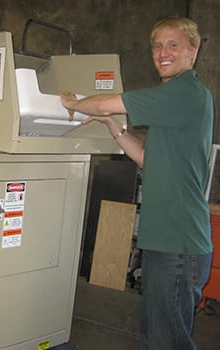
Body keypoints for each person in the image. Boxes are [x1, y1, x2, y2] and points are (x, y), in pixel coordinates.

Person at [61, 17, 214, 350]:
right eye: (157, 45)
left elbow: (105, 100)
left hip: (178, 243)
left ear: (193, 50)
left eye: (173, 44)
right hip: (171, 242)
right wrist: (112, 125)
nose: (163, 53)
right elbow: (145, 157)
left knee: (164, 341)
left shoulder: (183, 92)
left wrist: (72, 103)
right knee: (160, 336)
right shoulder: (176, 100)